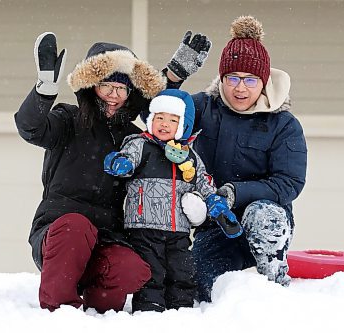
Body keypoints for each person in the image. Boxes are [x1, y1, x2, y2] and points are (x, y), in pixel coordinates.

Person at [14, 31, 211, 312]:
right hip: (60, 236)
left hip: (107, 239)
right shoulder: (68, 120)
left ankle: (102, 317)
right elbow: (31, 128)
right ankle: (59, 315)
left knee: (133, 268)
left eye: (122, 89)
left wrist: (173, 77)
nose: (114, 95)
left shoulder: (134, 138)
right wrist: (45, 89)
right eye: (107, 86)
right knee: (76, 226)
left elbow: (160, 119)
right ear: (90, 85)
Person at [184, 15, 308, 302]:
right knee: (199, 287)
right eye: (233, 78)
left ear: (263, 81)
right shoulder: (203, 108)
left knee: (261, 214)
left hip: (266, 218)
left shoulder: (284, 124)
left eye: (250, 80)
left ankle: (274, 284)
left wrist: (235, 193)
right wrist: (174, 77)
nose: (241, 89)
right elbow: (157, 119)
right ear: (222, 79)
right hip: (217, 226)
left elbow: (289, 182)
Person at [103, 89, 242, 312]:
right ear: (150, 120)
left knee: (182, 271)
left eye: (172, 120)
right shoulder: (140, 145)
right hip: (143, 227)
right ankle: (149, 312)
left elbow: (205, 185)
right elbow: (125, 160)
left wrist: (219, 208)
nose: (164, 124)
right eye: (159, 118)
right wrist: (120, 163)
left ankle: (182, 311)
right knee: (151, 273)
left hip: (178, 230)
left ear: (183, 125)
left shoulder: (189, 157)